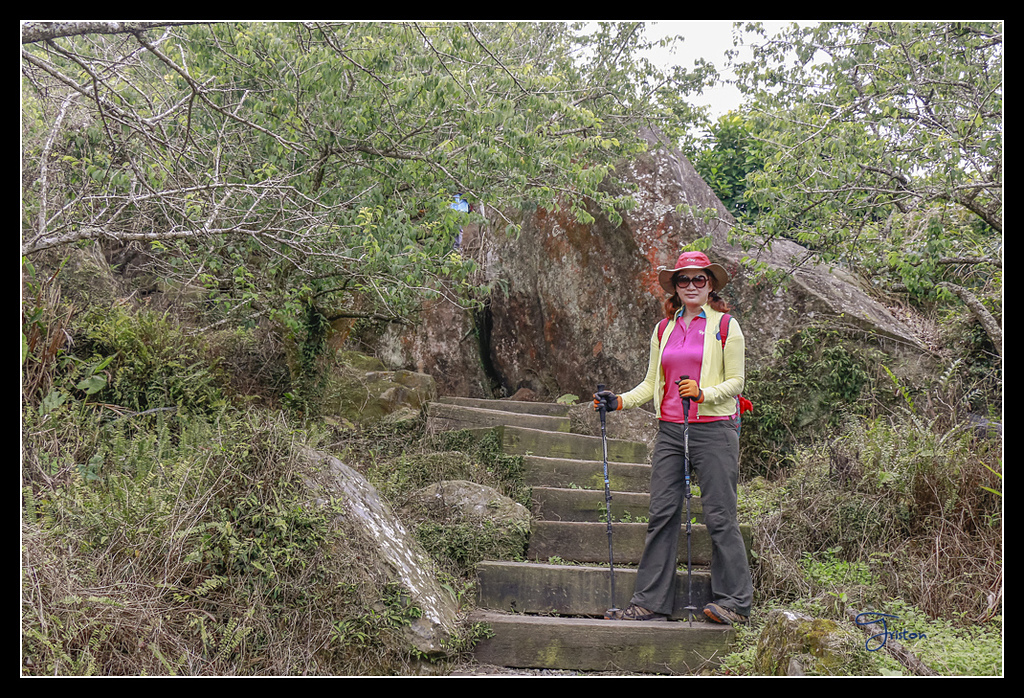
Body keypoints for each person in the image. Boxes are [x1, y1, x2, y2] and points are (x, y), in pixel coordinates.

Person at [594, 250, 752, 625]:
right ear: (675, 287)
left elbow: (736, 383)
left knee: (719, 515)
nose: (692, 285)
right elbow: (652, 384)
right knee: (662, 513)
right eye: (684, 280)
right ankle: (651, 601)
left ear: (710, 284)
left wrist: (703, 393)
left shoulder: (726, 326)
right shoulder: (664, 329)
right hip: (670, 429)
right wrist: (618, 402)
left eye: (700, 279)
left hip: (715, 430)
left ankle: (734, 603)